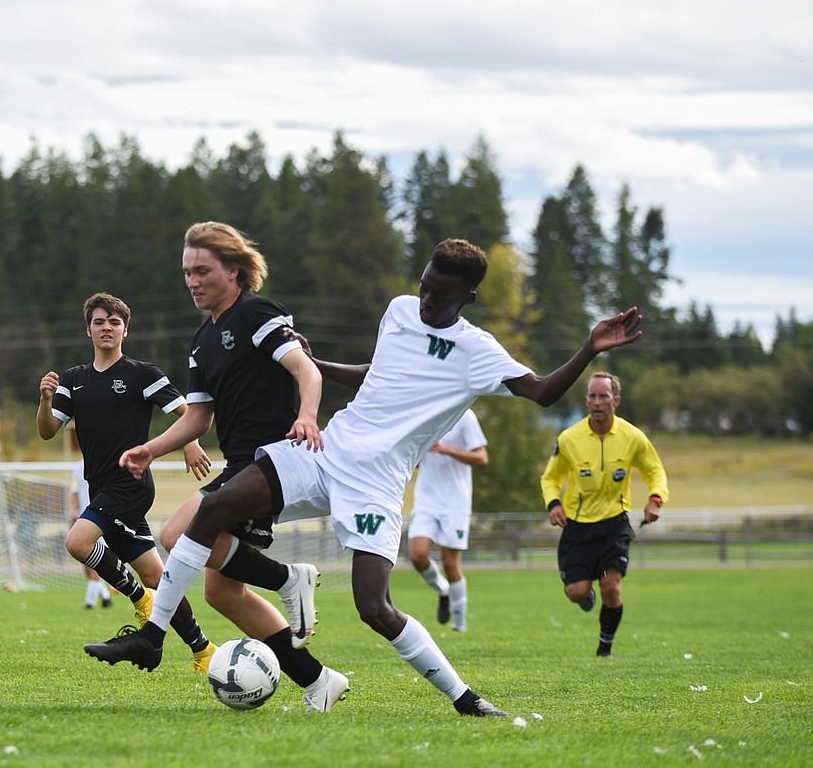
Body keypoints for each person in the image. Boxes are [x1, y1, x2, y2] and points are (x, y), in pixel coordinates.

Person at [86, 238, 644, 717]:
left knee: (374, 608)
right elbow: (374, 375)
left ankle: (465, 699)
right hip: (329, 449)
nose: (425, 299)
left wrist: (588, 348)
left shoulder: (477, 351)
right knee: (209, 512)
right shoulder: (399, 309)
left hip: (378, 483)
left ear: (466, 297)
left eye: (439, 294)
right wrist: (317, 363)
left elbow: (542, 391)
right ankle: (155, 636)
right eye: (424, 285)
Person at [129, 221, 349, 712]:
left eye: (202, 270)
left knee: (175, 536)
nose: (192, 281)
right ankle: (319, 681)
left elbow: (305, 369)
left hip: (271, 461)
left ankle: (290, 579)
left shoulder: (257, 313)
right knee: (224, 593)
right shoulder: (202, 340)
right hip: (240, 464)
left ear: (233, 271)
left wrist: (308, 415)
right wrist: (152, 448)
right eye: (186, 272)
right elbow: (199, 416)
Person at [37, 292, 218, 672]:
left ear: (125, 330)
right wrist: (45, 399)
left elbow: (187, 411)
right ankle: (204, 651)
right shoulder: (74, 379)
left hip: (130, 484)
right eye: (100, 321)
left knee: (78, 541)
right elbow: (48, 430)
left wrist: (191, 446)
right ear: (88, 329)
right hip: (101, 488)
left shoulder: (142, 373)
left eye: (114, 322)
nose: (107, 327)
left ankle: (139, 601)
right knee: (155, 574)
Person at [540, 371, 668, 657]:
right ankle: (587, 595)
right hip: (578, 526)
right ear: (586, 400)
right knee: (576, 592)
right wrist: (554, 504)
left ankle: (604, 649)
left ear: (616, 400)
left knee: (612, 586)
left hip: (614, 524)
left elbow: (654, 470)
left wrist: (655, 499)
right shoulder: (569, 438)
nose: (597, 402)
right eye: (592, 396)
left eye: (603, 396)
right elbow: (550, 478)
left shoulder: (632, 437)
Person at [408, 408, 488, 633]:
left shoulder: (466, 416)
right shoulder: (423, 414)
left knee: (450, 563)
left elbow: (482, 458)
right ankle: (443, 590)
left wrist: (446, 449)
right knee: (417, 555)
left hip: (456, 503)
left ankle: (459, 625)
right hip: (426, 500)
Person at [70, 456, 112, 609]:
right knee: (86, 565)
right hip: (83, 519)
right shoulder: (77, 468)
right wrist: (73, 511)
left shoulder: (104, 463)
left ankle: (90, 602)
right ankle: (106, 597)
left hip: (101, 518)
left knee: (93, 562)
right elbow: (74, 492)